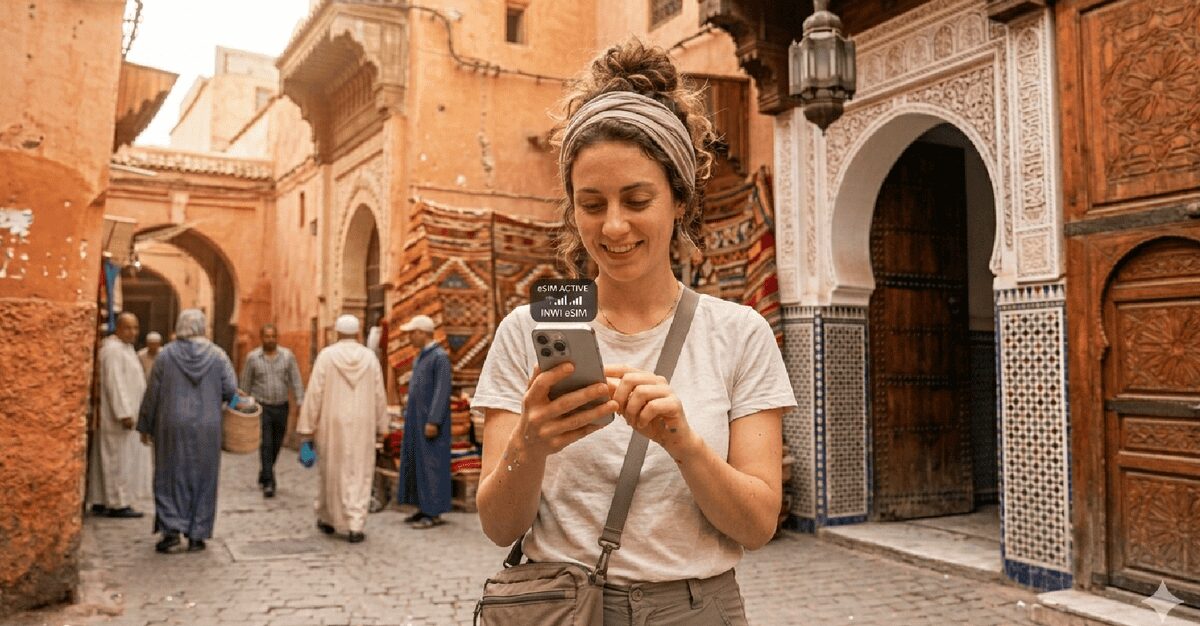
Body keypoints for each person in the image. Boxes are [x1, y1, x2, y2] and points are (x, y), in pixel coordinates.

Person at [471, 40, 796, 624]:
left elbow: (758, 523)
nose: (613, 225)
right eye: (591, 204)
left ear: (679, 199)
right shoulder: (530, 330)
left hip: (697, 610)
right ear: (572, 209)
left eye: (637, 199)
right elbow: (498, 527)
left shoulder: (739, 334)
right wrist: (531, 441)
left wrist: (685, 444)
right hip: (564, 609)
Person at [137, 309, 240, 553]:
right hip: (207, 426)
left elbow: (152, 393)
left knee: (169, 475)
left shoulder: (165, 356)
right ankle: (197, 534)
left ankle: (171, 531)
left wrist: (145, 425)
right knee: (204, 478)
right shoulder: (218, 356)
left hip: (171, 425)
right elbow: (231, 390)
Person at [296, 315, 388, 543]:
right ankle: (355, 522)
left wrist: (307, 427)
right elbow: (379, 394)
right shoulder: (369, 358)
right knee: (360, 470)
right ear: (357, 333)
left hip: (332, 423)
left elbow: (315, 393)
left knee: (331, 470)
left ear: (336, 333)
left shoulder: (327, 356)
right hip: (363, 423)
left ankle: (328, 517)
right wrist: (382, 425)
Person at [87, 311, 152, 518]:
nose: (133, 332)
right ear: (118, 328)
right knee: (117, 460)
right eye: (128, 327)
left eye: (135, 328)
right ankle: (117, 503)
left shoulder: (125, 348)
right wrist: (123, 413)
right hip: (118, 417)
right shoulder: (113, 350)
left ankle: (100, 499)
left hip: (123, 415)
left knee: (111, 458)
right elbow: (114, 383)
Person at [396, 314, 452, 529]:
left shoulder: (439, 357)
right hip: (416, 420)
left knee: (431, 465)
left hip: (429, 421)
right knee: (418, 463)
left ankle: (433, 511)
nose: (410, 337)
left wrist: (434, 420)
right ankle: (422, 506)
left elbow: (441, 391)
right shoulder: (421, 356)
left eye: (412, 333)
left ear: (421, 333)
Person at [239, 323, 305, 498]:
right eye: (267, 336)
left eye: (273, 336)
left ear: (277, 337)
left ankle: (265, 471)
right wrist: (243, 407)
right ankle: (269, 481)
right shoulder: (253, 358)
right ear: (262, 338)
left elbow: (295, 379)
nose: (270, 339)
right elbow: (245, 384)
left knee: (277, 443)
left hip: (282, 406)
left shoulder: (287, 357)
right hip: (262, 407)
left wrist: (300, 400)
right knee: (266, 444)